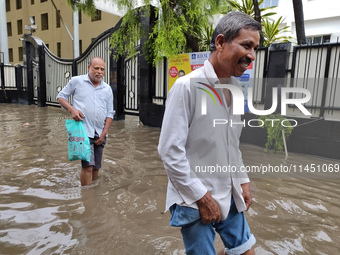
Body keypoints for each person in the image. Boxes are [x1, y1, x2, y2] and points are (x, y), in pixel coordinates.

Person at [158, 12, 261, 255]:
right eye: (247, 45)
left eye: (255, 48)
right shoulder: (186, 87)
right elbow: (169, 151)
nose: (252, 55)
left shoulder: (236, 90)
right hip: (192, 197)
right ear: (221, 42)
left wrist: (243, 181)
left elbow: (231, 146)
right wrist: (202, 197)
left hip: (228, 189)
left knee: (246, 252)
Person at [57, 57, 115, 186]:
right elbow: (61, 97)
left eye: (102, 69)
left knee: (96, 168)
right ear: (89, 68)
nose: (99, 71)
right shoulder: (77, 81)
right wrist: (72, 110)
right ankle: (86, 197)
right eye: (96, 68)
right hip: (83, 131)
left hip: (100, 132)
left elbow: (110, 112)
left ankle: (93, 193)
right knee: (88, 167)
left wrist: (104, 133)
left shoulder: (107, 89)